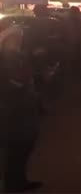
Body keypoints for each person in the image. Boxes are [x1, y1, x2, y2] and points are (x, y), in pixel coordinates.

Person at [0, 25, 43, 193]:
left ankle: (18, 180)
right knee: (17, 147)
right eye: (16, 38)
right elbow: (13, 83)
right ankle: (13, 183)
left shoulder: (16, 55)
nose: (19, 40)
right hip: (14, 110)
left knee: (23, 146)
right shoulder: (7, 57)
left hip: (22, 107)